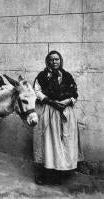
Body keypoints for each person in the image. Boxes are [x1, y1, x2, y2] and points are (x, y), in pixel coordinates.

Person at [33, 50, 83, 185]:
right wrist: (51, 101)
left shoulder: (67, 76)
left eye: (57, 59)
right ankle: (47, 173)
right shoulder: (42, 76)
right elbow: (36, 91)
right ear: (47, 61)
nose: (54, 62)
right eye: (51, 60)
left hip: (66, 112)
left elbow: (75, 93)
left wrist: (67, 101)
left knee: (64, 143)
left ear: (60, 61)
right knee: (50, 142)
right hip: (50, 112)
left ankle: (61, 173)